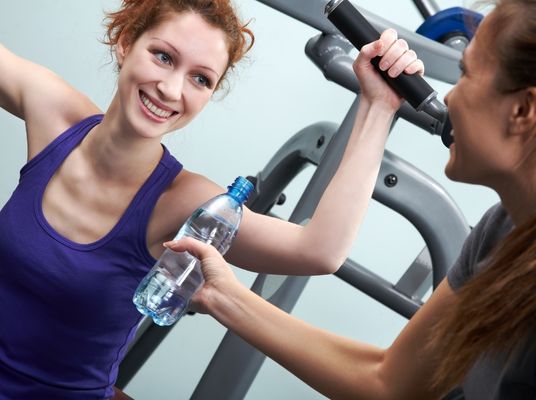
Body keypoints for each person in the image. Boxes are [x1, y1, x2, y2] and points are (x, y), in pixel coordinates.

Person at [167, 0, 536, 398]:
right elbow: (391, 383)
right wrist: (220, 294)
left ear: (524, 112)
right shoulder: (504, 227)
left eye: (467, 74)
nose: (449, 96)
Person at [0, 0, 424, 398]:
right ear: (126, 43)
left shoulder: (186, 202)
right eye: (163, 57)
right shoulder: (54, 113)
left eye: (200, 79)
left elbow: (320, 250)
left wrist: (379, 105)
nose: (170, 89)